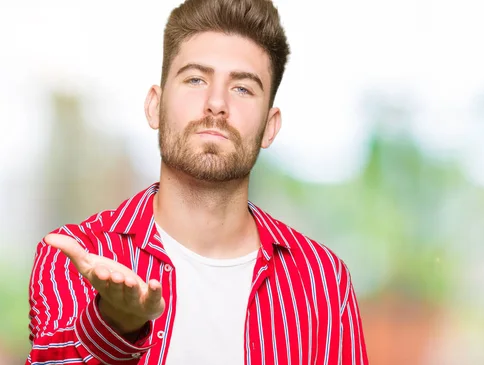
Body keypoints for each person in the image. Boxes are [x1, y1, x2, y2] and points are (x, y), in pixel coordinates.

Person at [26, 0, 368, 364]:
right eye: (195, 79)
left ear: (270, 126)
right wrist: (115, 324)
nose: (216, 103)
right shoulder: (75, 256)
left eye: (242, 88)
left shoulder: (324, 282)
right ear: (154, 106)